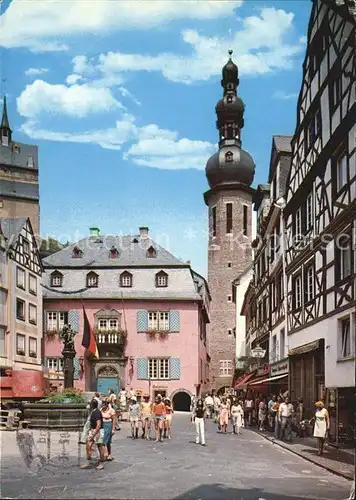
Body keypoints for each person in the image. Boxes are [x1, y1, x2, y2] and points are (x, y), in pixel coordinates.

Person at [80, 399, 106, 470]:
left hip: (98, 431)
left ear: (92, 405)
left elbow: (99, 424)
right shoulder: (92, 412)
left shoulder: (96, 412)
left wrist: (94, 434)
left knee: (100, 447)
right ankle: (89, 461)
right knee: (88, 445)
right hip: (93, 430)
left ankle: (101, 463)